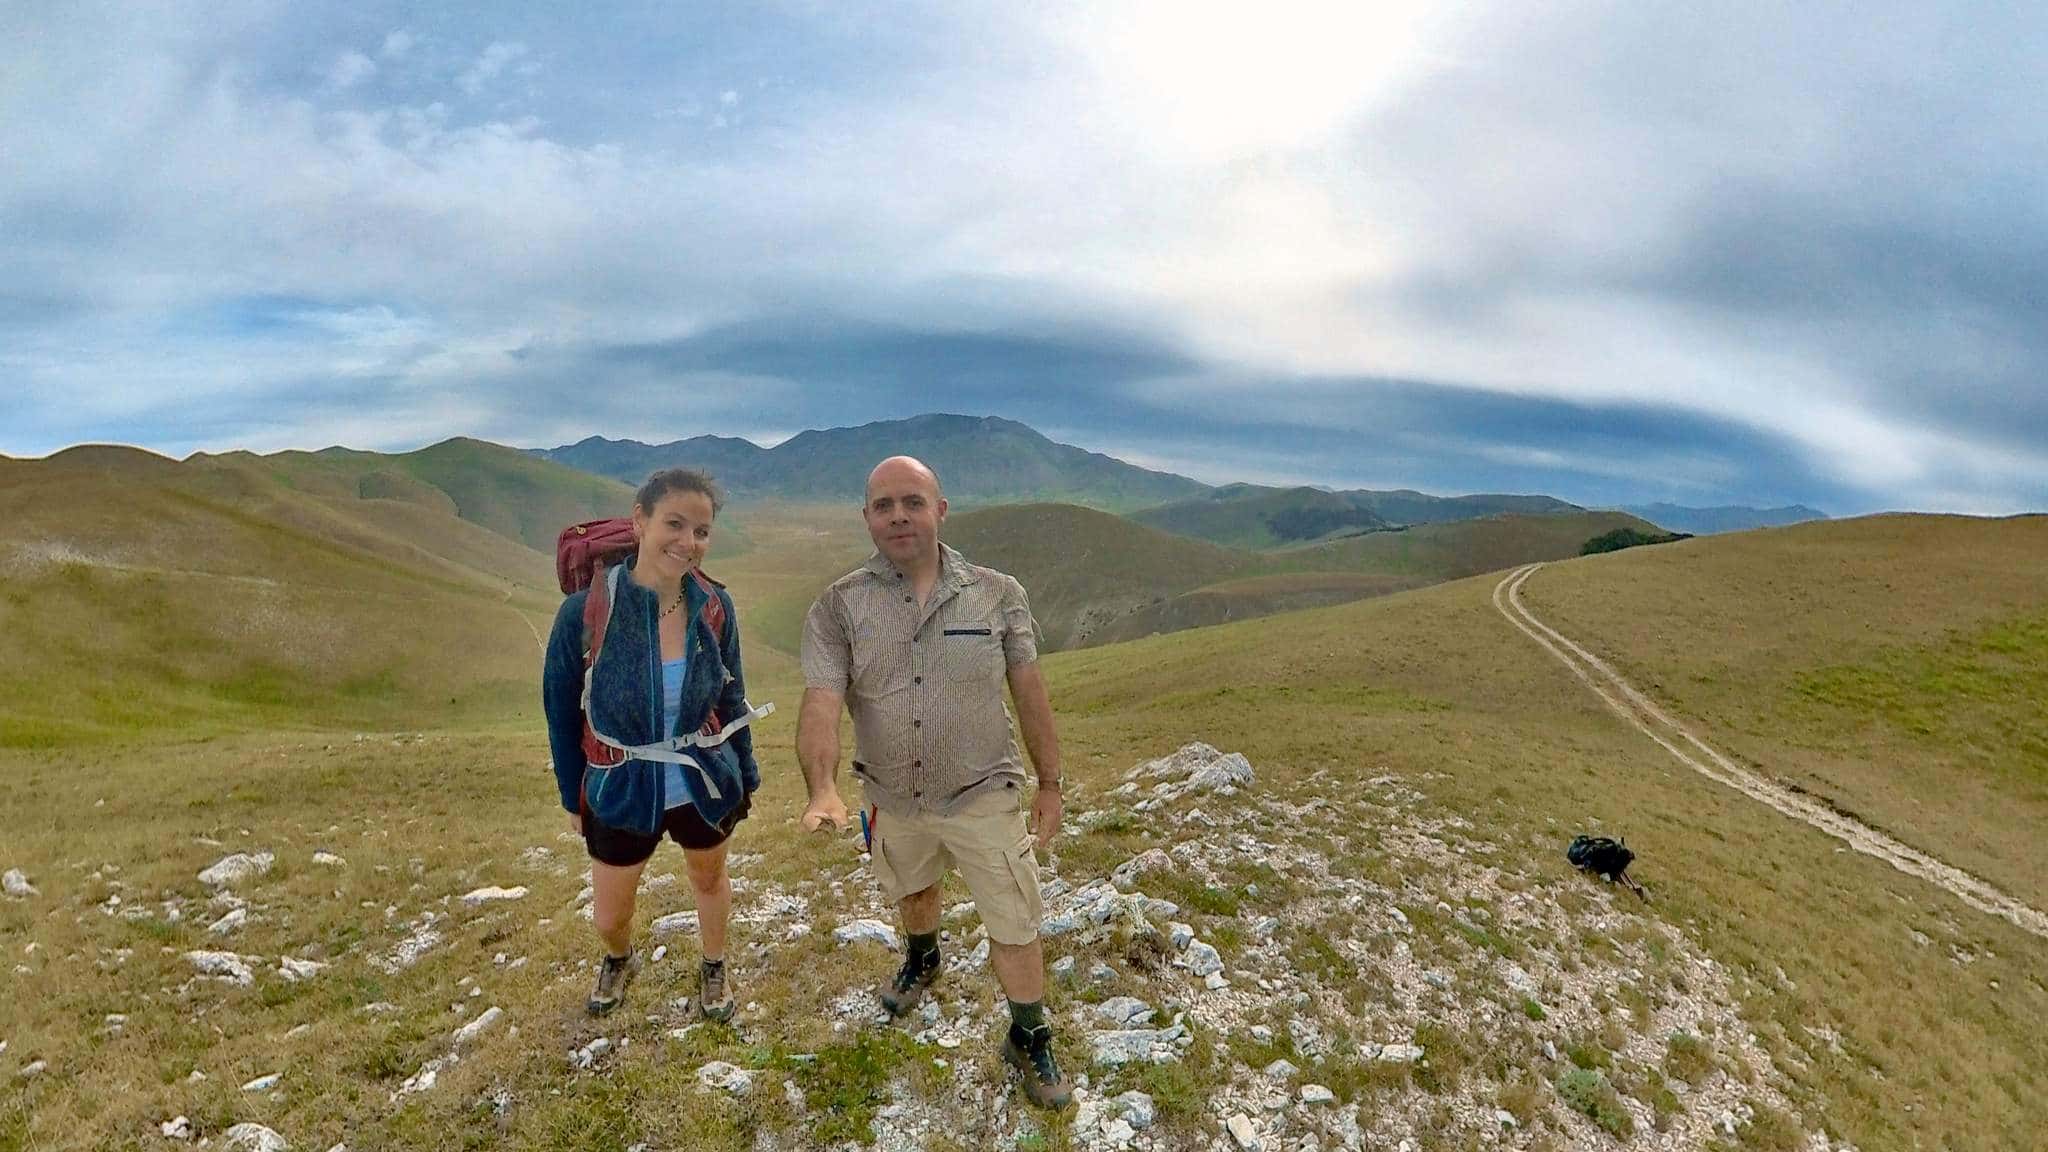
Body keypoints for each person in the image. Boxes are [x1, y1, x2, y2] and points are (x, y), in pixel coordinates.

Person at [796, 455, 1072, 1110]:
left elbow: (1029, 691)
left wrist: (1051, 781)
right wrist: (822, 789)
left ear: (940, 511)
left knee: (1013, 917)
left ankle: (1029, 1031)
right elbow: (820, 702)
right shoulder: (840, 606)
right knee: (912, 887)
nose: (899, 516)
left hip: (984, 791)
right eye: (884, 505)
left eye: (913, 502)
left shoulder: (996, 593)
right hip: (891, 794)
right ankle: (923, 958)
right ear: (866, 517)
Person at [542, 468, 765, 1021]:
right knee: (608, 915)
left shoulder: (714, 607)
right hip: (620, 784)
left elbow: (733, 696)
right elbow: (560, 709)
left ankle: (715, 964)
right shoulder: (586, 614)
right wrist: (574, 797)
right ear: (639, 521)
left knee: (708, 878)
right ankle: (619, 956)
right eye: (675, 523)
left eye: (702, 531)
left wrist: (747, 774)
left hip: (703, 776)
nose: (688, 542)